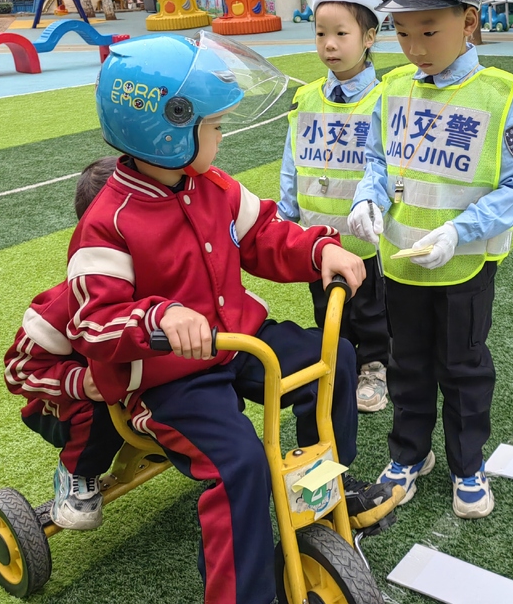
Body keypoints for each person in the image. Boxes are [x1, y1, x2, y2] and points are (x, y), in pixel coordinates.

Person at [65, 32, 401, 604]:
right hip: (171, 377)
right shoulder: (109, 221)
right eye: (214, 126)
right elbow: (92, 321)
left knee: (334, 358)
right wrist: (158, 317)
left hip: (240, 338)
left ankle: (324, 497)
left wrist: (321, 250)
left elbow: (266, 234)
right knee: (237, 464)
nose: (221, 137)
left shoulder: (213, 186)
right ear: (167, 128)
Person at [349, 0, 513, 519]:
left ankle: (466, 462)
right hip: (401, 263)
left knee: (461, 367)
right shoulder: (391, 89)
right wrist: (365, 198)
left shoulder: (499, 95)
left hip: (462, 268)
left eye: (429, 31)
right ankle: (409, 454)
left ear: (470, 20)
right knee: (406, 364)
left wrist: (460, 231)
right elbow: (378, 159)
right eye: (403, 33)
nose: (415, 47)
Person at [279, 0, 392, 413]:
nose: (329, 44)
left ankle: (375, 368)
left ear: (369, 36)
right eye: (321, 32)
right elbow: (294, 160)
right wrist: (287, 214)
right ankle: (339, 367)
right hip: (317, 237)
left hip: (365, 239)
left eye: (341, 33)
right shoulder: (306, 98)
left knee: (371, 312)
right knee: (327, 310)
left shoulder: (384, 98)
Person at [3, 156, 121, 531]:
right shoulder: (64, 303)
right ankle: (76, 474)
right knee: (99, 397)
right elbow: (17, 370)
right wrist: (77, 382)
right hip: (61, 403)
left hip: (124, 385)